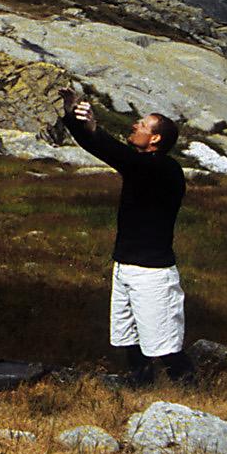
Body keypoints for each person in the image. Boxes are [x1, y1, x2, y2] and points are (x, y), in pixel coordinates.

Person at [64, 95, 194, 385]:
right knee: (129, 339)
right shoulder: (139, 164)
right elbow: (101, 148)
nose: (135, 125)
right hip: (125, 267)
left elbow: (113, 152)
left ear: (155, 138)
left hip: (152, 274)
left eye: (143, 124)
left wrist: (92, 126)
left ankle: (193, 394)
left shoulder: (164, 169)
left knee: (165, 346)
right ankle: (141, 385)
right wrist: (74, 118)